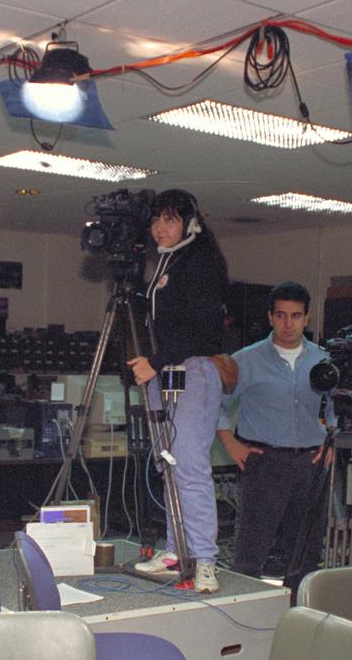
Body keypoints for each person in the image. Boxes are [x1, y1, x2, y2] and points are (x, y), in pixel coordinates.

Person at [128, 189, 229, 593]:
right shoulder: (167, 262)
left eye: (169, 220)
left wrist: (158, 358)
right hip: (164, 373)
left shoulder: (200, 263)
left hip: (192, 371)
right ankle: (175, 551)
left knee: (188, 465)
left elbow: (201, 329)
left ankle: (204, 559)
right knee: (167, 465)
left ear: (190, 224)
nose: (159, 228)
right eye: (156, 220)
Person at [217, 281, 334, 579]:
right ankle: (246, 617)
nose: (288, 323)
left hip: (310, 464)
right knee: (251, 552)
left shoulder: (323, 360)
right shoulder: (246, 360)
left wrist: (332, 441)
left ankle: (300, 614)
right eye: (281, 315)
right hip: (264, 463)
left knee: (305, 553)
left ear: (307, 318)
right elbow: (215, 403)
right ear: (270, 317)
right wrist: (230, 443)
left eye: (295, 316)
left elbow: (337, 405)